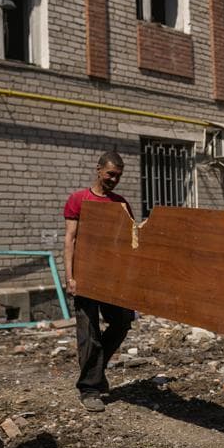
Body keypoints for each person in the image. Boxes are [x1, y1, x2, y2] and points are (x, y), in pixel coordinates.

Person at [63, 151, 136, 413]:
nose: (114, 180)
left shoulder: (121, 204)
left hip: (112, 278)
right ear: (98, 170)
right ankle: (90, 389)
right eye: (110, 174)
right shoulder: (79, 199)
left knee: (123, 321)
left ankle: (95, 371)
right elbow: (70, 239)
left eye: (118, 176)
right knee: (89, 333)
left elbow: (129, 241)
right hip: (84, 275)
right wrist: (70, 277)